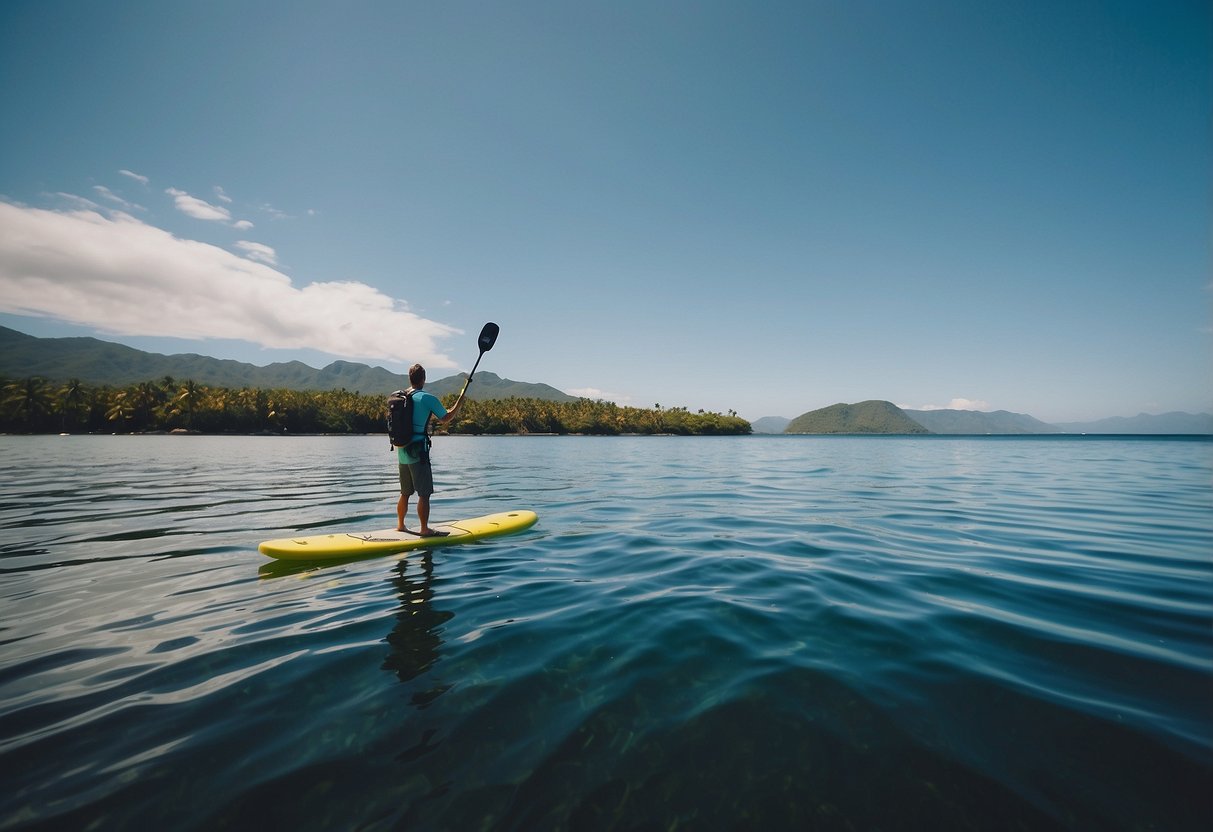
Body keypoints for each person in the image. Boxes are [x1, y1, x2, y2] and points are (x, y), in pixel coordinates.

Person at [395, 363, 467, 536]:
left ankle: (400, 525)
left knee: (405, 493)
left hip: (401, 451)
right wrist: (460, 402)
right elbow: (446, 418)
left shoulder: (402, 396)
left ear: (410, 378)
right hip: (418, 451)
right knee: (424, 493)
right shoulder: (427, 398)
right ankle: (424, 529)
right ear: (424, 379)